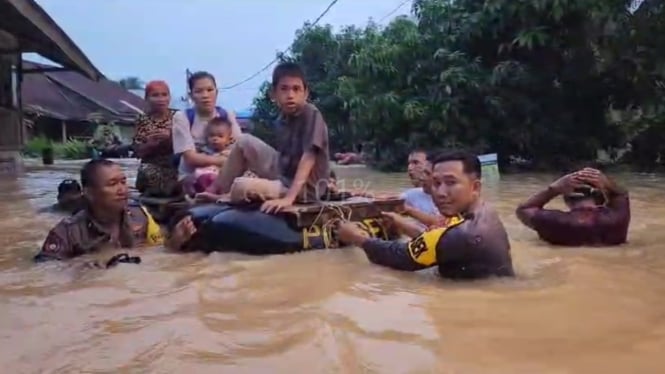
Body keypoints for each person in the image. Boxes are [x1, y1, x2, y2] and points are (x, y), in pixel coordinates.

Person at [337, 151, 514, 280]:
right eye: (436, 183)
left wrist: (356, 237)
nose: (441, 192)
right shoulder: (485, 211)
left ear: (475, 187)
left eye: (451, 183)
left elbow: (399, 257)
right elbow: (435, 239)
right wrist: (402, 224)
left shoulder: (461, 235)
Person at [200, 62, 330, 213]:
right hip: (284, 174)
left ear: (305, 93)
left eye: (296, 89)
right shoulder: (281, 120)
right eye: (284, 89)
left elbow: (309, 157)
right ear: (273, 94)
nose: (290, 95)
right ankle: (214, 190)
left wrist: (289, 198)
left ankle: (227, 196)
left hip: (304, 189)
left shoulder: (311, 114)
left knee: (241, 185)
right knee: (244, 141)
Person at [33, 159, 166, 262]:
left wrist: (176, 242)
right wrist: (87, 264)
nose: (122, 190)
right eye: (112, 184)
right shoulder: (66, 233)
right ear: (89, 193)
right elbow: (47, 272)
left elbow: (160, 253)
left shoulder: (140, 216)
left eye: (123, 182)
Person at [515, 167, 630, 246]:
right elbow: (621, 193)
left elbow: (524, 209)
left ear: (565, 198)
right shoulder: (618, 220)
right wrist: (608, 183)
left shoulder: (554, 222)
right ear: (601, 197)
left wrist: (552, 189)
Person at [171, 71, 243, 187]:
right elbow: (190, 158)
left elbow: (240, 148)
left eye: (210, 90)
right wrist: (224, 161)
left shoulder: (227, 115)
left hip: (225, 171)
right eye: (199, 91)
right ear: (191, 96)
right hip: (192, 174)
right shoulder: (183, 118)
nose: (205, 95)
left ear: (217, 92)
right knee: (207, 181)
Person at [132, 80, 179, 197]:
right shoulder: (142, 120)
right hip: (151, 167)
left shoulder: (178, 117)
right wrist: (150, 144)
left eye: (164, 94)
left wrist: (170, 138)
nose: (161, 99)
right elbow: (138, 152)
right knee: (147, 170)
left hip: (176, 166)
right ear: (147, 98)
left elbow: (188, 146)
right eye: (155, 95)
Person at [182, 117, 235, 196]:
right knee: (189, 179)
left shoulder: (229, 153)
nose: (215, 139)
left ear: (229, 139)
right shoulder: (204, 150)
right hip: (201, 176)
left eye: (220, 136)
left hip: (217, 179)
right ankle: (193, 193)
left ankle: (207, 195)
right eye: (212, 135)